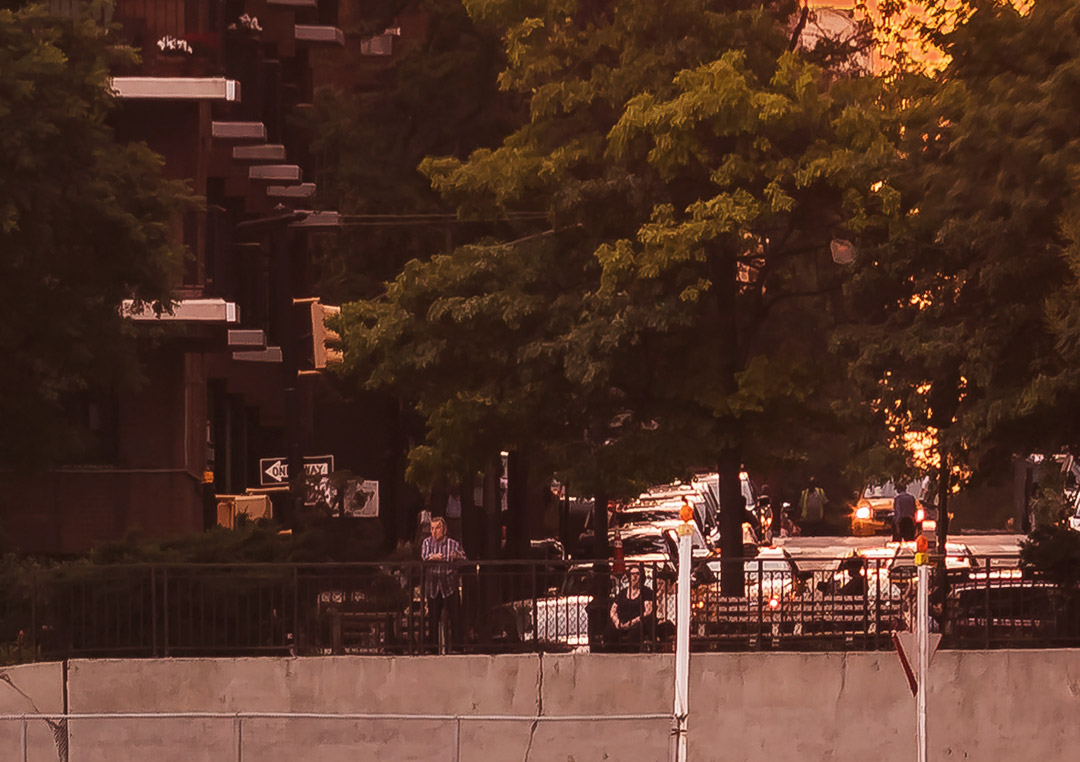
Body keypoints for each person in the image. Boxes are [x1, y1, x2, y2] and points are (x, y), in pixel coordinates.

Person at [421, 516, 467, 650]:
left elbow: (464, 558)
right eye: (432, 528)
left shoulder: (453, 544)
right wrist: (432, 558)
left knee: (455, 616)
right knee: (433, 618)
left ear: (444, 529)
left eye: (438, 528)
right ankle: (433, 647)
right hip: (434, 586)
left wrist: (457, 557)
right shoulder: (427, 543)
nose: (434, 531)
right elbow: (424, 557)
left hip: (449, 585)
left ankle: (458, 646)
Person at [603, 564, 655, 651]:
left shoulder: (646, 592)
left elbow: (648, 611)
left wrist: (631, 622)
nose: (634, 577)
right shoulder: (623, 592)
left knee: (635, 634)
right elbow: (613, 609)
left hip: (637, 622)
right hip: (621, 622)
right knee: (609, 631)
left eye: (637, 574)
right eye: (632, 574)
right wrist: (617, 622)